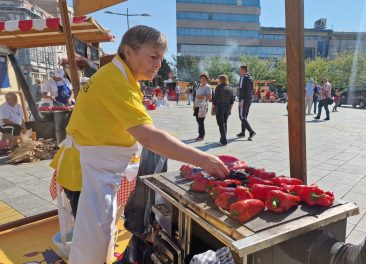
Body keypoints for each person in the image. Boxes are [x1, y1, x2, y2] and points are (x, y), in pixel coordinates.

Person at [51, 26, 228, 263]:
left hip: (97, 169)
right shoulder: (115, 81)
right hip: (86, 171)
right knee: (90, 244)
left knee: (101, 236)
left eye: (161, 58)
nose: (158, 64)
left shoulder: (122, 76)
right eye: (153, 56)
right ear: (129, 51)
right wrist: (204, 159)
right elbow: (149, 137)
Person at [213, 75, 234, 146]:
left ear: (220, 80)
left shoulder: (218, 87)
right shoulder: (230, 88)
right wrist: (230, 110)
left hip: (220, 107)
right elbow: (232, 101)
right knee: (225, 123)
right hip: (227, 107)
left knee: (220, 124)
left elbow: (215, 99)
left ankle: (223, 140)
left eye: (218, 79)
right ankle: (223, 138)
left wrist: (213, 108)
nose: (217, 81)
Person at [237, 66, 256, 140]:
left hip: (244, 99)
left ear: (244, 70)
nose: (239, 72)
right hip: (249, 99)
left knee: (242, 116)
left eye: (240, 70)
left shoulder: (243, 77)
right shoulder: (250, 77)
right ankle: (242, 132)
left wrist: (241, 99)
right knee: (244, 116)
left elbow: (241, 90)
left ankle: (251, 131)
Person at [193, 73, 212, 141]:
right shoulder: (198, 85)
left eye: (204, 79)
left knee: (201, 121)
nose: (203, 80)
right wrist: (194, 105)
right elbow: (195, 96)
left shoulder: (208, 87)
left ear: (206, 79)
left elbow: (210, 98)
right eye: (201, 78)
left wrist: (202, 96)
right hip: (197, 105)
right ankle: (200, 134)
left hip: (203, 106)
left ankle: (201, 135)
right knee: (198, 120)